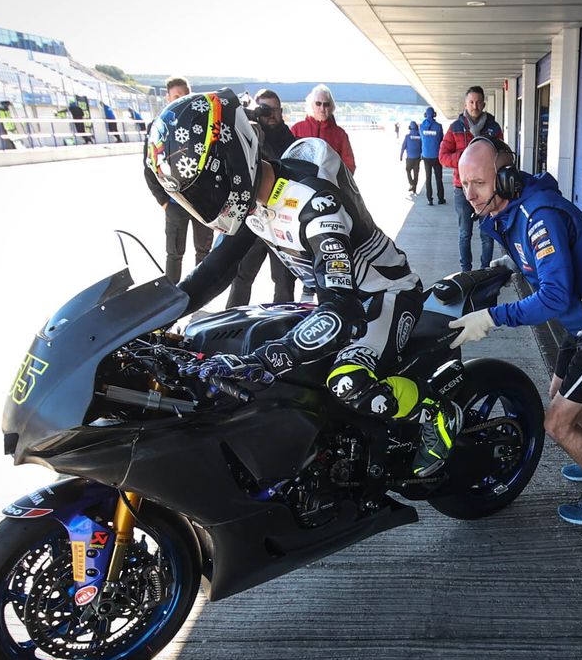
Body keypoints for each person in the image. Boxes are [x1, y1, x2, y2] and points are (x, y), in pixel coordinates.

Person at [145, 89, 457, 475]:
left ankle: (437, 413)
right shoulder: (253, 204)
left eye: (208, 186)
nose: (207, 200)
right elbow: (214, 271)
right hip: (335, 297)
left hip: (383, 295)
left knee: (348, 381)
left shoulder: (313, 204)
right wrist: (150, 319)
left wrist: (265, 361)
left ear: (232, 160)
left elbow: (342, 310)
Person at [448, 137, 582, 525]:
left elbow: (554, 296)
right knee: (561, 392)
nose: (469, 194)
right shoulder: (509, 212)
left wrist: (491, 318)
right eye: (464, 183)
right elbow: (536, 259)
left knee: (556, 422)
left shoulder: (540, 216)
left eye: (479, 183)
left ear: (504, 180)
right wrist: (502, 267)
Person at [228, 88, 298, 307]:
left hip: (281, 219)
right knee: (241, 275)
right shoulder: (248, 137)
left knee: (284, 280)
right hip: (254, 218)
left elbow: (281, 167)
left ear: (281, 111)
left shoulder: (290, 140)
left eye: (273, 110)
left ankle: (283, 325)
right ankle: (231, 318)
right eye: (263, 109)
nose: (270, 115)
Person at [144, 76, 214, 284]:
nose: (180, 99)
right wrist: (163, 200)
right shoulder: (156, 126)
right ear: (168, 98)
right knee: (174, 251)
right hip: (174, 202)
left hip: (201, 202)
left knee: (204, 249)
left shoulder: (202, 123)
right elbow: (149, 166)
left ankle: (199, 288)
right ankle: (171, 293)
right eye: (176, 96)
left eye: (184, 96)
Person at [440, 86, 504, 272]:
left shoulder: (494, 128)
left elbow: (502, 155)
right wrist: (465, 157)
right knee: (464, 233)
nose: (475, 105)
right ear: (465, 104)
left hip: (487, 191)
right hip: (462, 189)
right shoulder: (455, 128)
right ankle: (466, 272)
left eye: (478, 102)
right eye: (471, 102)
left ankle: (485, 272)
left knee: (487, 233)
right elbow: (443, 156)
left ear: (483, 104)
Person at [291, 84, 356, 173]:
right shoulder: (296, 129)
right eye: (318, 103)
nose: (322, 108)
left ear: (331, 107)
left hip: (330, 184)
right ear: (311, 105)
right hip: (302, 182)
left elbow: (349, 165)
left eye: (326, 104)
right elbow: (288, 160)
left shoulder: (340, 134)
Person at [419, 107, 446, 205]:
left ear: (425, 114)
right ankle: (440, 199)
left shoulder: (421, 127)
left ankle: (430, 199)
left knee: (428, 178)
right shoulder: (438, 126)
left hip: (426, 156)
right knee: (439, 178)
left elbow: (422, 139)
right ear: (434, 114)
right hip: (436, 156)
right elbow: (441, 140)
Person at [400, 120, 423, 197]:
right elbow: (423, 146)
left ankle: (411, 183)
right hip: (417, 158)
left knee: (408, 170)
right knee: (416, 173)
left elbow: (403, 147)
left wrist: (401, 156)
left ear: (410, 128)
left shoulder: (407, 137)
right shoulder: (420, 136)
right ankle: (414, 188)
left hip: (409, 158)